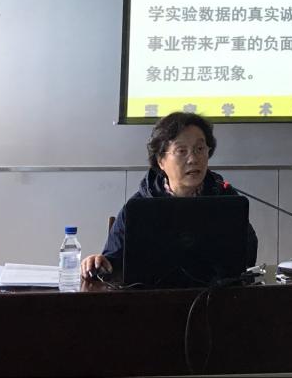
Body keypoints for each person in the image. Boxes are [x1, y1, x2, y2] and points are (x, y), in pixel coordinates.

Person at [81, 111, 259, 280]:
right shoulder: (141, 205)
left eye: (200, 148)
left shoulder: (225, 197)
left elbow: (247, 254)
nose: (193, 159)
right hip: (154, 296)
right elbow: (113, 261)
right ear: (161, 161)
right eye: (181, 151)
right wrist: (99, 263)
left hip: (215, 294)